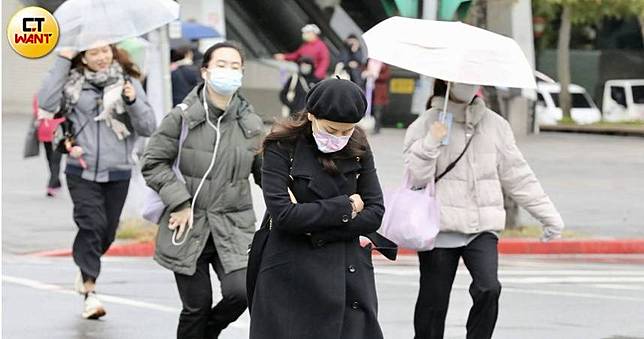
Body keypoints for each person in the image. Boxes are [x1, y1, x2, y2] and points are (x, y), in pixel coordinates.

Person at [404, 79, 565, 339]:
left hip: (482, 226)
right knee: (433, 302)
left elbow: (519, 176)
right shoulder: (425, 123)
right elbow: (416, 179)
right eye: (462, 81)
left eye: (473, 81)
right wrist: (431, 142)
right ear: (447, 82)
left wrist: (549, 216)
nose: (468, 86)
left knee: (489, 288)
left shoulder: (496, 125)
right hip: (440, 227)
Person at [142, 41, 264, 339]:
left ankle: (207, 333)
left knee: (243, 292)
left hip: (233, 226)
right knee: (196, 306)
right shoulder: (181, 117)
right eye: (221, 65)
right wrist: (180, 202)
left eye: (235, 67)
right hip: (187, 225)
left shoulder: (251, 124)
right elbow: (153, 162)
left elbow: (266, 175)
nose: (228, 72)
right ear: (205, 71)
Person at [250, 78, 387, 339]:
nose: (339, 138)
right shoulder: (281, 147)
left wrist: (314, 227)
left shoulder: (358, 146)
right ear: (311, 115)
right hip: (289, 269)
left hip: (346, 271)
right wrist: (346, 206)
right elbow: (284, 215)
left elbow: (375, 213)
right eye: (331, 130)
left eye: (347, 131)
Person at [37, 44, 156, 319]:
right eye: (93, 53)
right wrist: (62, 60)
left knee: (107, 232)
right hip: (82, 169)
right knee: (91, 225)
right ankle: (90, 291)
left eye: (105, 51)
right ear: (83, 57)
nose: (101, 58)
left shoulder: (129, 82)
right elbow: (45, 102)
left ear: (113, 52)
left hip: (119, 171)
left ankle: (85, 269)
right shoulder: (72, 83)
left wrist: (133, 101)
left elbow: (149, 126)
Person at [371, 63, 391, 134]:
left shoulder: (384, 65)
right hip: (371, 89)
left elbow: (386, 76)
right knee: (374, 109)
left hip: (380, 90)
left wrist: (375, 75)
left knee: (378, 109)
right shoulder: (370, 62)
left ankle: (377, 127)